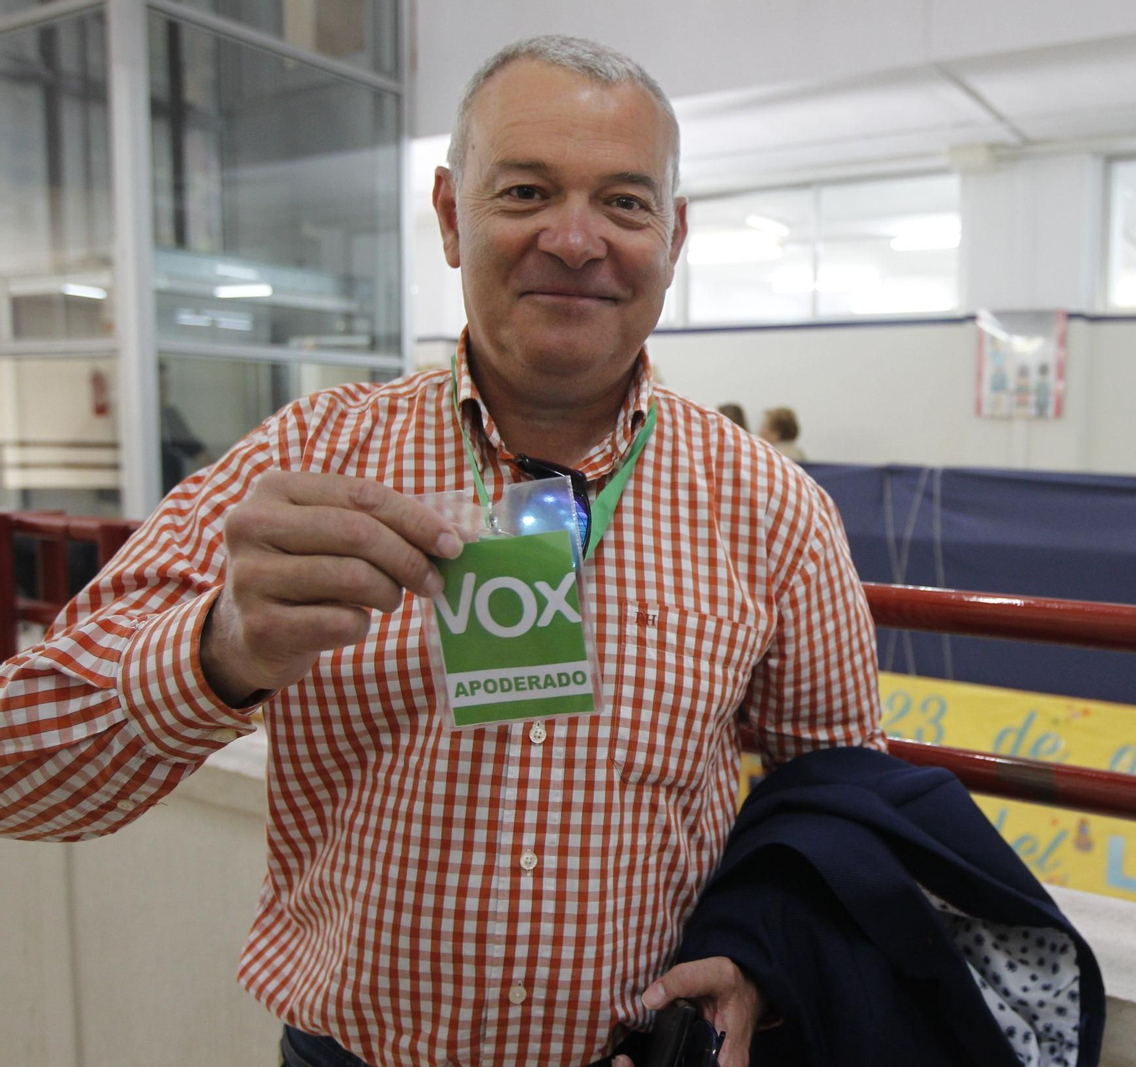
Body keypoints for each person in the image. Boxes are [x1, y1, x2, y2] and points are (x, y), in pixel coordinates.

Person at [0, 35, 883, 1067]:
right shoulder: (305, 461)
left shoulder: (770, 507)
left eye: (624, 202)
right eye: (525, 191)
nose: (575, 239)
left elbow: (836, 793)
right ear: (451, 215)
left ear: (673, 235)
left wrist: (761, 947)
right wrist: (219, 648)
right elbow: (21, 770)